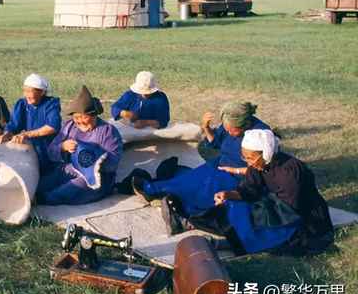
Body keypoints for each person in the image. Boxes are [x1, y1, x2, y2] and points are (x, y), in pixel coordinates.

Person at [178, 130, 334, 256]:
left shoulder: (291, 171)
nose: (248, 163)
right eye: (245, 158)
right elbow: (248, 190)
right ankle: (228, 237)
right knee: (233, 207)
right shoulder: (258, 165)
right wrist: (229, 195)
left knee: (249, 217)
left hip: (299, 214)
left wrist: (254, 211)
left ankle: (231, 242)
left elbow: (287, 209)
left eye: (251, 158)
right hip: (278, 204)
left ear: (266, 154)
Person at [132, 102, 271, 232]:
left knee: (207, 187)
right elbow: (215, 142)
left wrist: (234, 170)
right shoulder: (230, 124)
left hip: (241, 175)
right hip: (220, 164)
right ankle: (156, 190)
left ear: (246, 124)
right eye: (227, 129)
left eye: (233, 131)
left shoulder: (261, 134)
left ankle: (177, 205)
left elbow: (264, 168)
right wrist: (206, 127)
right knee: (192, 177)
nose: (229, 133)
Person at [36, 85, 123, 205]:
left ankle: (45, 200)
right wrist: (62, 147)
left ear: (94, 115)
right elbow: (50, 150)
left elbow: (113, 162)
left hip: (95, 179)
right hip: (66, 170)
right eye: (76, 117)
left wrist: (92, 161)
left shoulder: (107, 131)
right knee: (39, 185)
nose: (80, 121)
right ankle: (34, 195)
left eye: (84, 117)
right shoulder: (69, 126)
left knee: (73, 187)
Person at [0, 74, 62, 174]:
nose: (26, 95)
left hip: (48, 148)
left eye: (29, 91)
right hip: (31, 148)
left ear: (42, 92)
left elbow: (52, 127)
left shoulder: (51, 104)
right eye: (24, 91)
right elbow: (14, 125)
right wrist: (6, 135)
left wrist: (26, 134)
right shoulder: (22, 104)